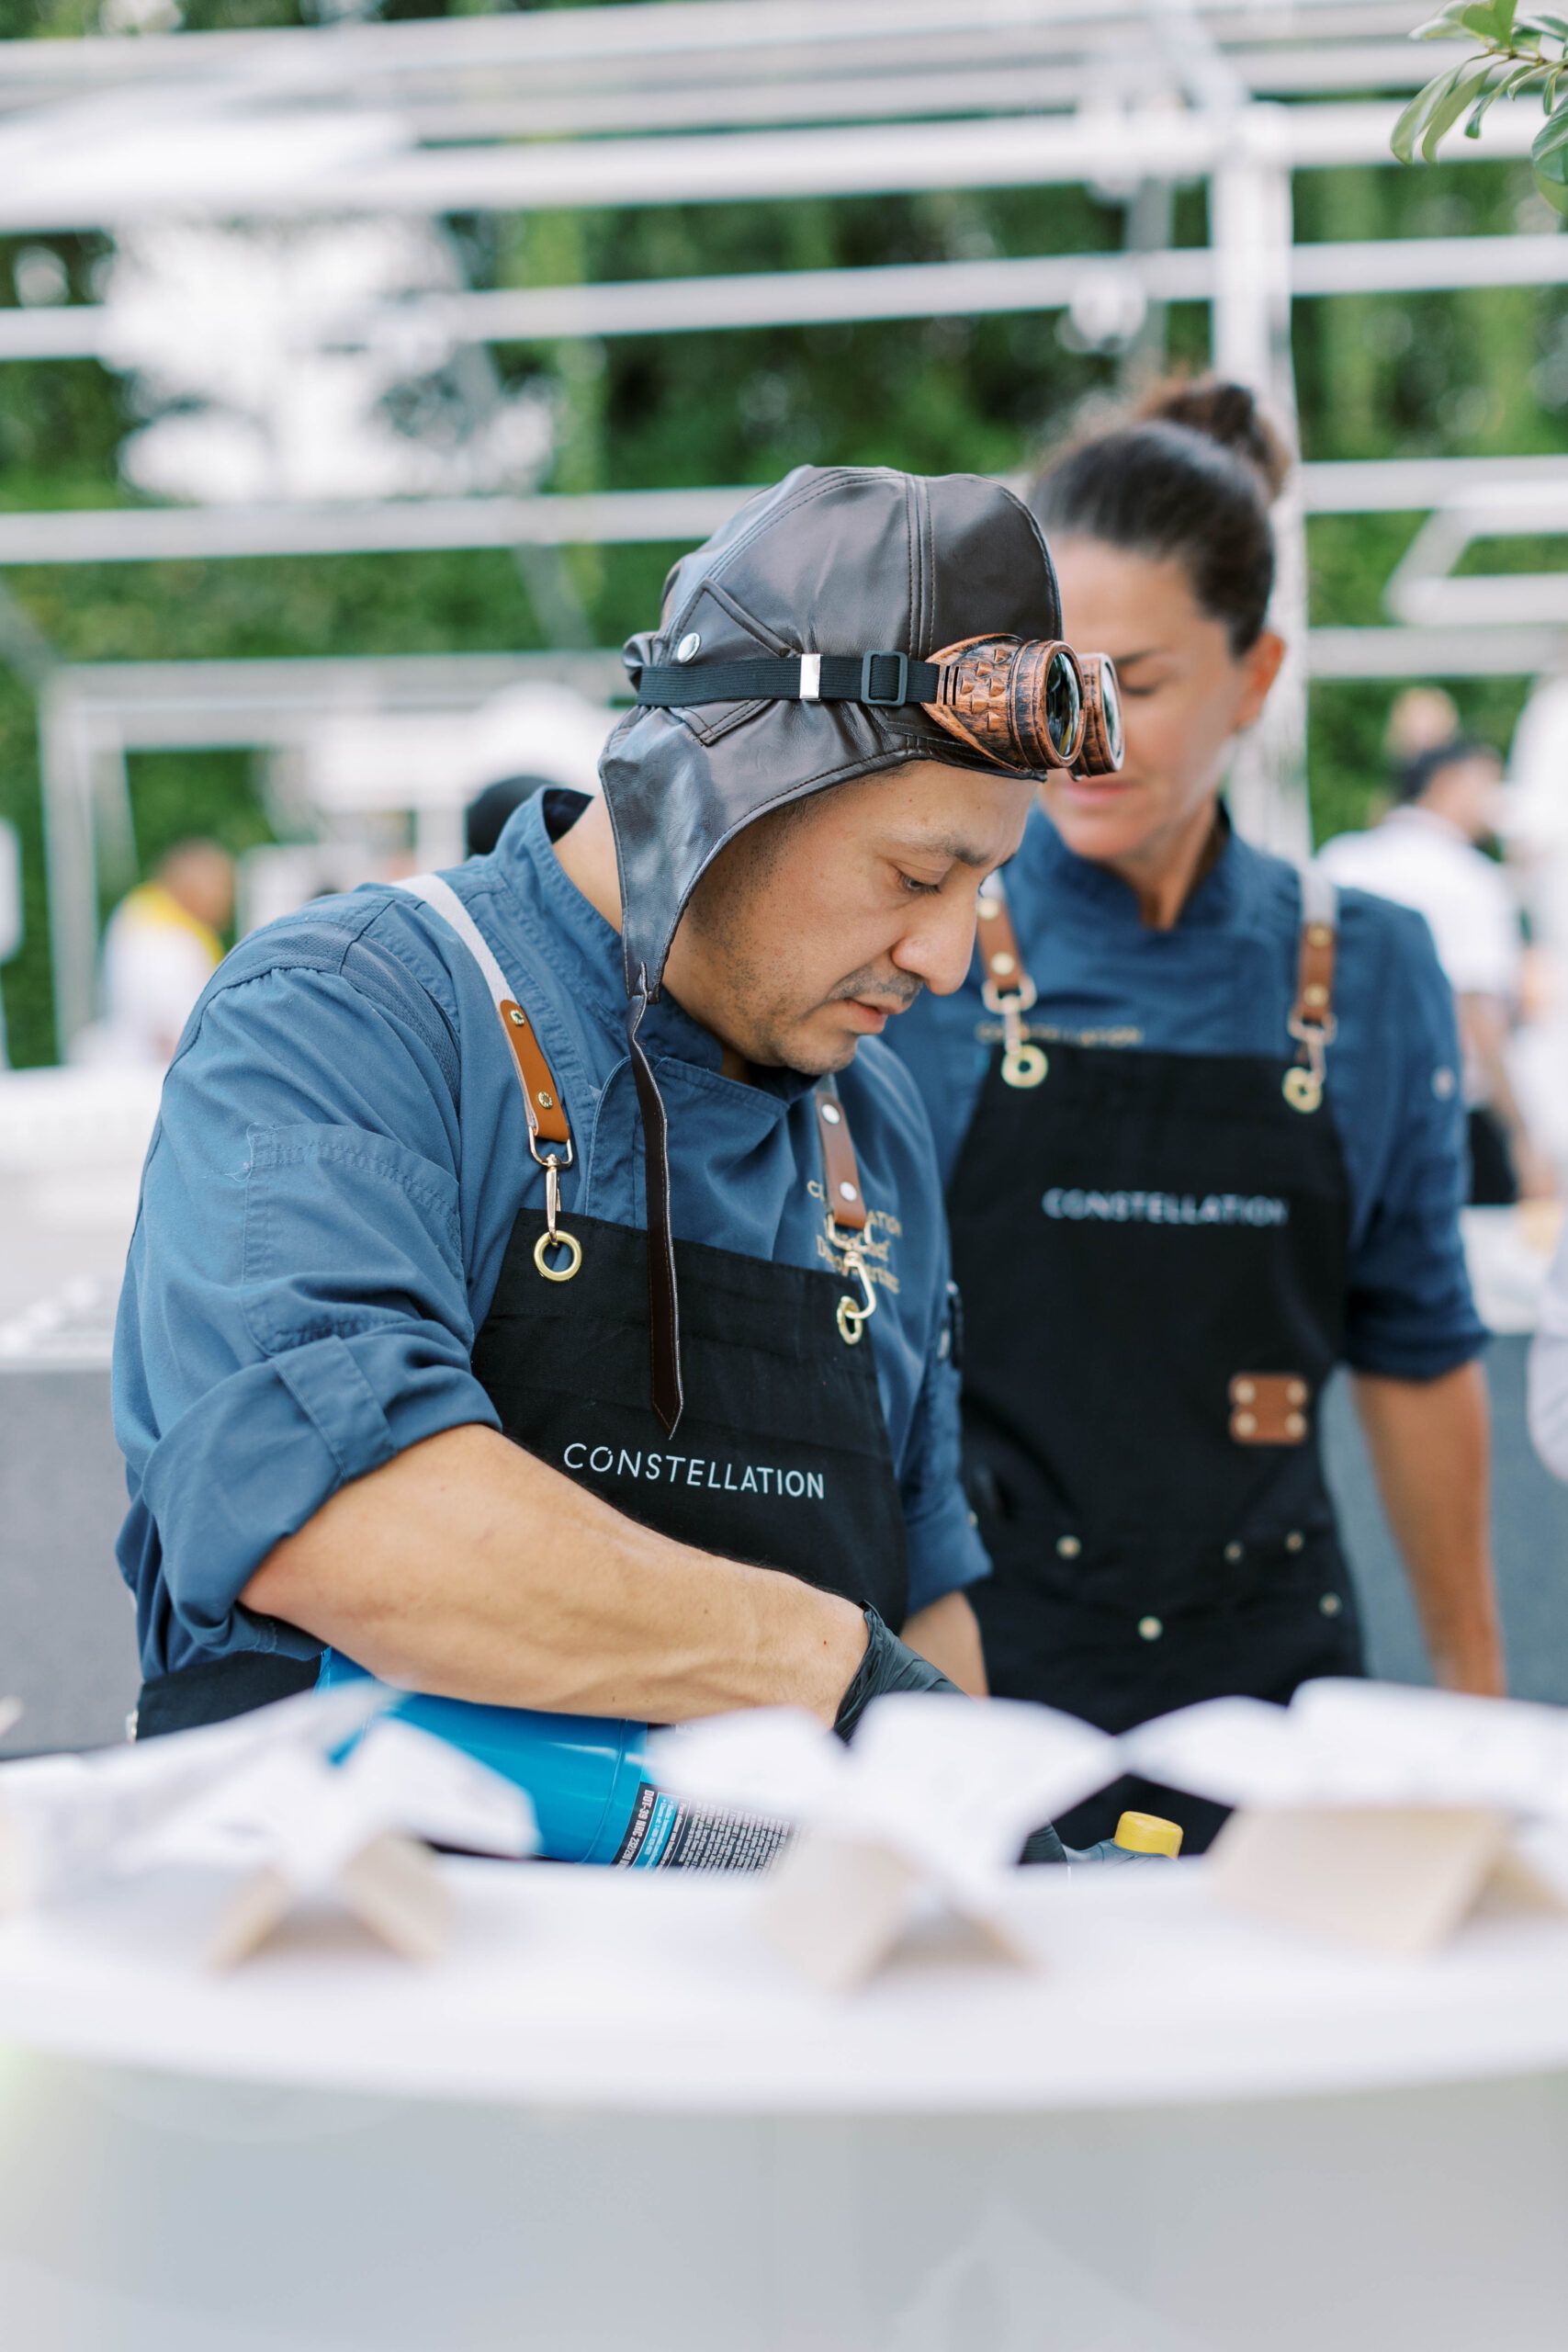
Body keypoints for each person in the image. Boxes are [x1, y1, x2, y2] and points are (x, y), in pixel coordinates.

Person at [112, 465, 1120, 1863]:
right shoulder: (356, 1012)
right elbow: (343, 1521)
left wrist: (981, 1868)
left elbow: (926, 1597)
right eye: (912, 875)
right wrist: (817, 1664)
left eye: (983, 886)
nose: (946, 958)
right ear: (728, 784)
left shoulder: (869, 1126)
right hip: (363, 1962)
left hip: (762, 1980)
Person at [886, 383, 1505, 1852]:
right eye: (1052, 679)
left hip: (1273, 1693)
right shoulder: (919, 953)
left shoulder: (1369, 971)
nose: (1081, 734)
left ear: (1255, 673)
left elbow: (1415, 1351)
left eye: (1141, 683)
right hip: (977, 1700)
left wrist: (1473, 1710)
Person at [1320, 736, 1553, 1206]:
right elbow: (1478, 1015)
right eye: (1487, 784)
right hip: (1444, 1114)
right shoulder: (1469, 878)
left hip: (1338, 1096)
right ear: (1448, 783)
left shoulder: (1341, 858)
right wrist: (1521, 1135)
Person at [84, 838, 234, 1069]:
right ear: (193, 886)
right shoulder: (167, 935)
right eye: (221, 886)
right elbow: (174, 1028)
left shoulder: (145, 912)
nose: (227, 898)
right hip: (154, 1071)